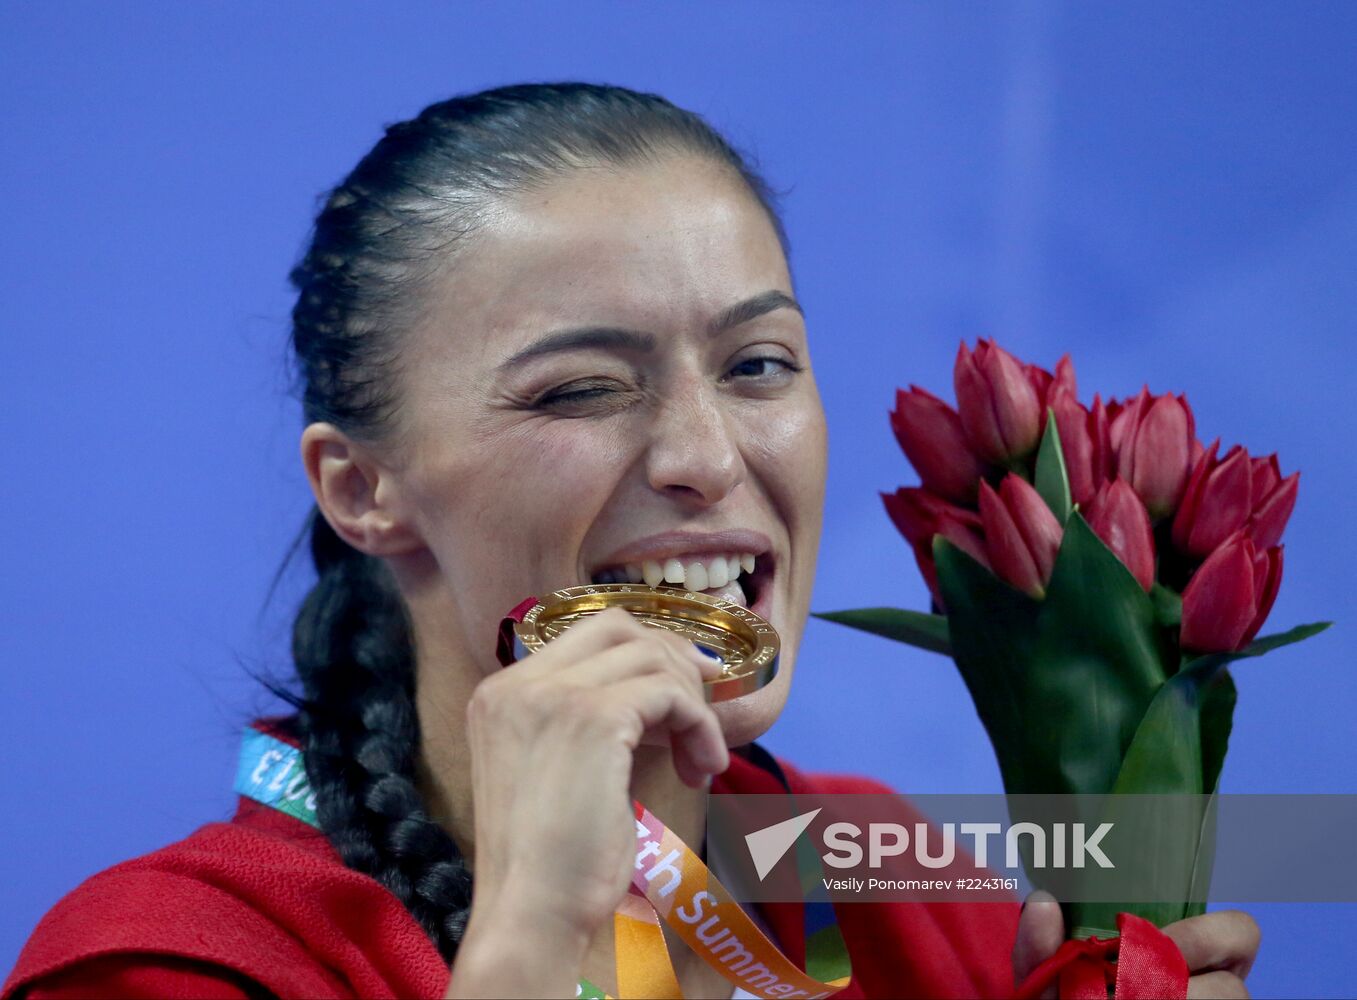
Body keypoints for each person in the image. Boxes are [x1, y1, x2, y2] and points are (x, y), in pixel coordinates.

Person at [3, 82, 1260, 999]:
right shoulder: (170, 959)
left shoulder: (895, 872)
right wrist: (531, 932)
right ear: (362, 488)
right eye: (578, 390)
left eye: (758, 364)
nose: (706, 457)